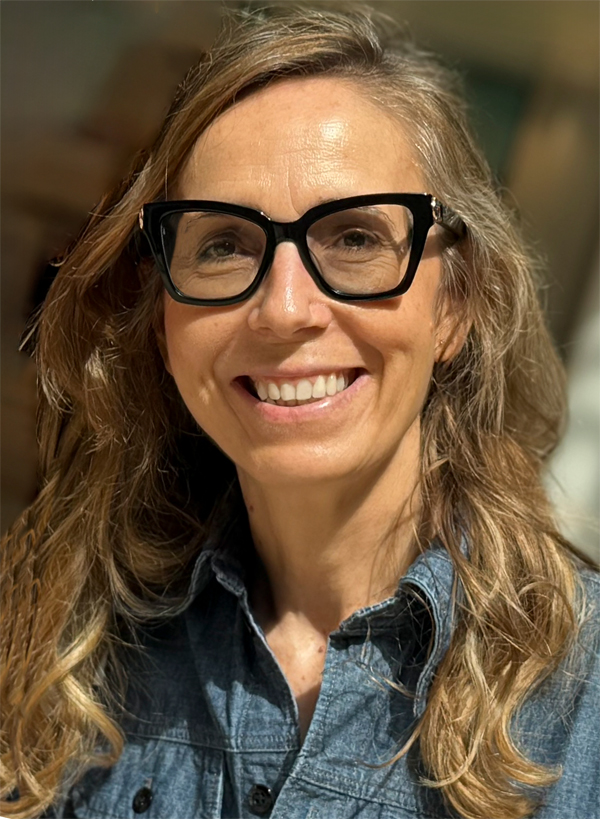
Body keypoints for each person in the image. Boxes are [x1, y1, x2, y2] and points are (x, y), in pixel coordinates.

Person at [2, 6, 599, 819]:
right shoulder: (56, 653)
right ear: (164, 326)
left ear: (456, 304)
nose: (285, 310)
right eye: (223, 244)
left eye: (354, 238)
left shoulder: (584, 699)